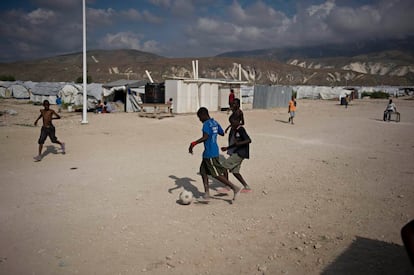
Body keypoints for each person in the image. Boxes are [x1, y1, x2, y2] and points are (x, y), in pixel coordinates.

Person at [188, 107, 241, 201]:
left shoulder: (206, 124)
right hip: (211, 151)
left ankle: (234, 188)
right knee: (203, 172)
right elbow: (221, 133)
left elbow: (205, 137)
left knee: (215, 174)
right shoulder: (214, 122)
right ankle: (206, 194)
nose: (200, 119)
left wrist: (194, 143)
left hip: (210, 153)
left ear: (203, 115)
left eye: (200, 117)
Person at [221, 116, 252, 193]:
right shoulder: (236, 130)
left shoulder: (241, 129)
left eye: (232, 123)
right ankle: (247, 187)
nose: (231, 124)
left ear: (238, 121)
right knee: (235, 172)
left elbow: (248, 140)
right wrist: (227, 148)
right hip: (238, 152)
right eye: (230, 123)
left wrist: (239, 143)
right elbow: (236, 143)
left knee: (223, 166)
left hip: (240, 153)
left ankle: (227, 186)